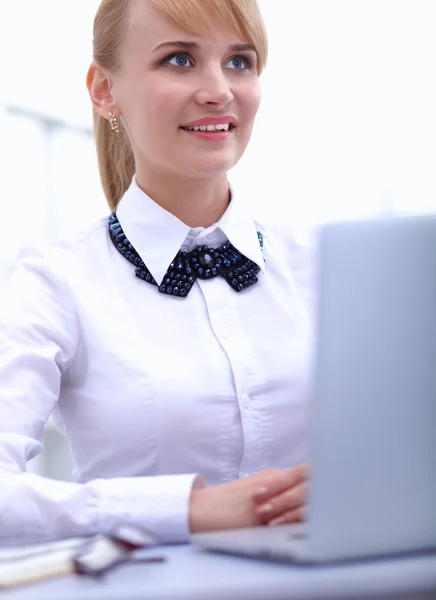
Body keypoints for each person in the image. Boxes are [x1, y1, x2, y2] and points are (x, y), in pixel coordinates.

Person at [0, 0, 313, 546]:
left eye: (239, 61)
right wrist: (185, 510)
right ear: (104, 90)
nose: (219, 89)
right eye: (179, 60)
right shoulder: (54, 280)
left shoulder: (323, 265)